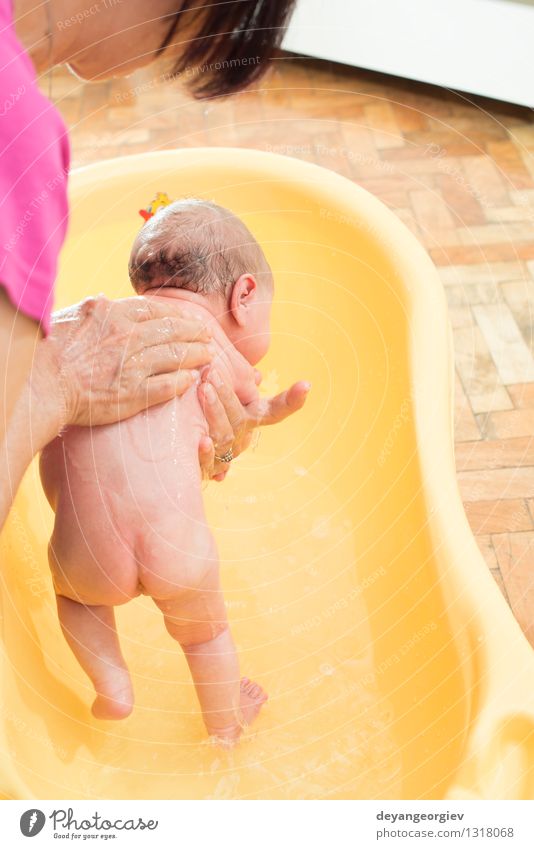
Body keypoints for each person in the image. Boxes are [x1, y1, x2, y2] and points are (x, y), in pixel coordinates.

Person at [0, 0, 304, 532]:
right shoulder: (16, 138)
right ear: (244, 294)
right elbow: (209, 464)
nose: (173, 60)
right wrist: (55, 382)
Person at [40, 199, 308, 742]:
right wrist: (256, 425)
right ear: (245, 294)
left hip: (85, 552)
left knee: (74, 598)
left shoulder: (88, 336)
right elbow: (235, 432)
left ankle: (112, 684)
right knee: (205, 635)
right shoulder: (210, 343)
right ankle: (224, 727)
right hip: (176, 548)